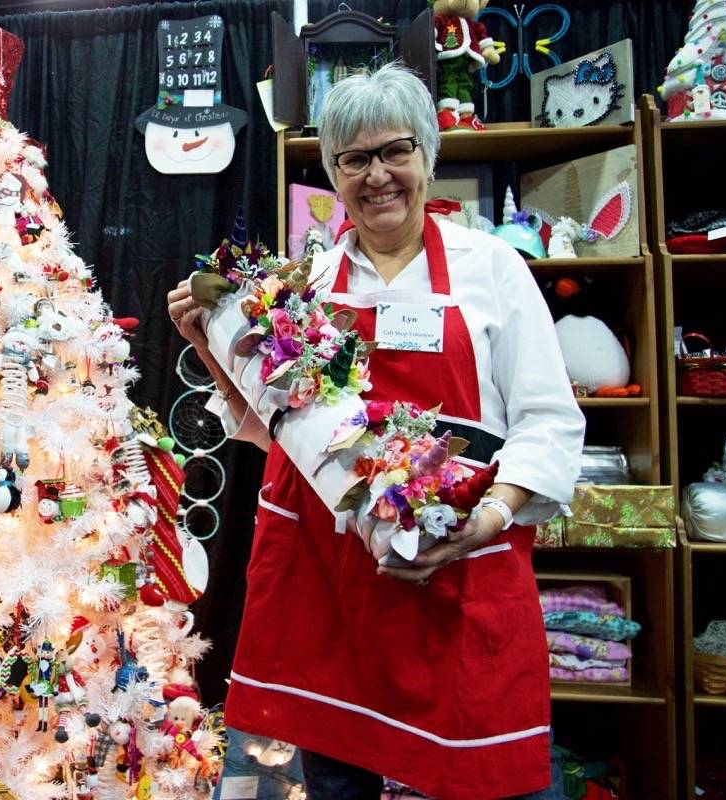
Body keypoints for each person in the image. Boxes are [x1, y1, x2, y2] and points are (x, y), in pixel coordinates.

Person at [167, 62, 583, 800]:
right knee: (335, 777)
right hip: (331, 585)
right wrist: (210, 343)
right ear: (332, 173)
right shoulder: (306, 287)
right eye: (354, 159)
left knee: (490, 775)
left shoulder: (495, 269)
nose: (377, 175)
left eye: (395, 150)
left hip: (459, 559)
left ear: (427, 155)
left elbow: (548, 421)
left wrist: (485, 520)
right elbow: (279, 435)